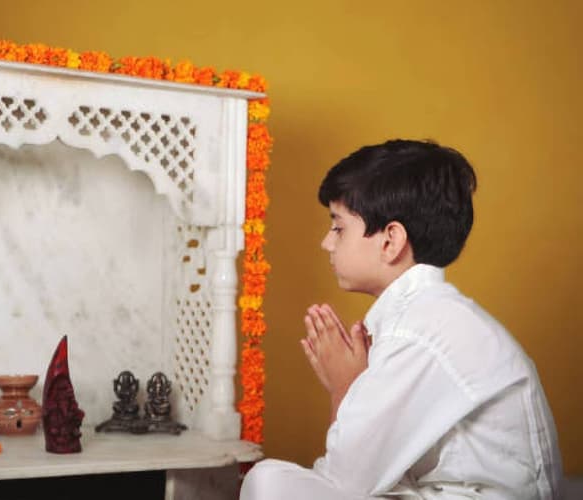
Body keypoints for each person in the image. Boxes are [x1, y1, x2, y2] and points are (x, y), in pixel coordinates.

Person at [240, 139, 562, 499]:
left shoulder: (418, 331)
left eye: (338, 228)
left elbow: (345, 480)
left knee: (268, 482)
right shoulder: (424, 316)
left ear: (390, 241)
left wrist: (345, 388)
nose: (326, 243)